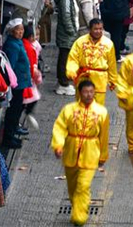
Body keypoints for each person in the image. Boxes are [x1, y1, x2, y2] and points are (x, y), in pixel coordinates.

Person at [51, 80, 110, 227]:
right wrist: (58, 145)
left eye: (91, 92)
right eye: (86, 92)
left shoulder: (102, 112)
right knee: (72, 187)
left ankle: (79, 217)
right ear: (80, 93)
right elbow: (60, 127)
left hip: (90, 153)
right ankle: (77, 207)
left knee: (83, 185)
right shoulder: (68, 110)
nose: (89, 95)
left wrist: (103, 155)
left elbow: (104, 136)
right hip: (71, 152)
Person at [66, 19, 118, 105]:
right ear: (90, 29)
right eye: (95, 29)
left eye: (100, 29)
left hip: (100, 79)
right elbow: (73, 58)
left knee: (98, 107)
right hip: (83, 77)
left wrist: (113, 80)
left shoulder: (108, 44)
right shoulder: (80, 41)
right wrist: (71, 71)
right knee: (81, 104)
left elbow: (111, 63)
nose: (98, 31)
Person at [1, 19, 31, 149]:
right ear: (12, 31)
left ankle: (12, 134)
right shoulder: (12, 45)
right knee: (13, 110)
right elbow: (11, 66)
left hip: (20, 82)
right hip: (16, 83)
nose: (20, 32)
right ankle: (8, 138)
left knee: (17, 109)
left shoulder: (17, 42)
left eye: (22, 29)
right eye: (18, 29)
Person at [55, 0, 81, 95]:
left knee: (65, 57)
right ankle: (63, 83)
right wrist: (72, 31)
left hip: (69, 33)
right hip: (66, 34)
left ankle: (63, 82)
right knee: (64, 59)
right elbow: (66, 16)